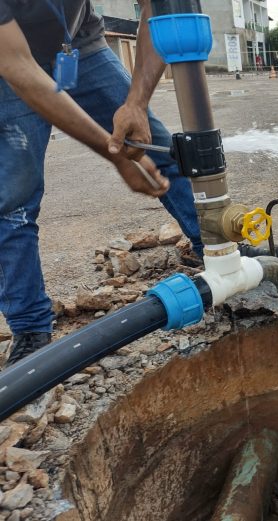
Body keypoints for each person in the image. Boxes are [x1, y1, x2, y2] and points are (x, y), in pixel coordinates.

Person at [0, 0, 203, 365]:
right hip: (11, 60)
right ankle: (30, 328)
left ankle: (217, 251)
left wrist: (136, 103)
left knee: (158, 149)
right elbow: (18, 65)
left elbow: (160, 8)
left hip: (79, 46)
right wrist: (114, 154)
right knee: (14, 200)